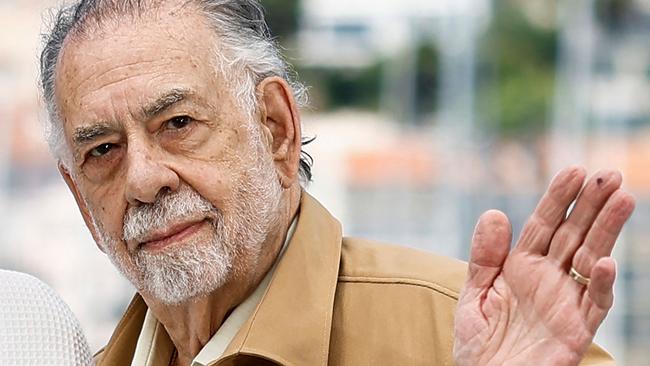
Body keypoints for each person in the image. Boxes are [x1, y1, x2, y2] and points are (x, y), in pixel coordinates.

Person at [38, 1, 635, 365]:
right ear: (82, 204)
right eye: (103, 150)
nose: (143, 179)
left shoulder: (463, 337)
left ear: (274, 128)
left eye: (177, 123)